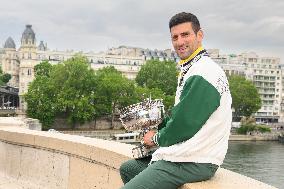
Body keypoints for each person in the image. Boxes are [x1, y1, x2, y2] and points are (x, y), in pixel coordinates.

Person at [119, 12, 232, 189]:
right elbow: (183, 115)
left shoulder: (204, 72)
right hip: (186, 154)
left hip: (195, 159)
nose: (179, 42)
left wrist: (155, 139)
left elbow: (184, 125)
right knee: (128, 169)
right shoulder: (194, 68)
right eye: (175, 37)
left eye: (185, 35)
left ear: (199, 35)